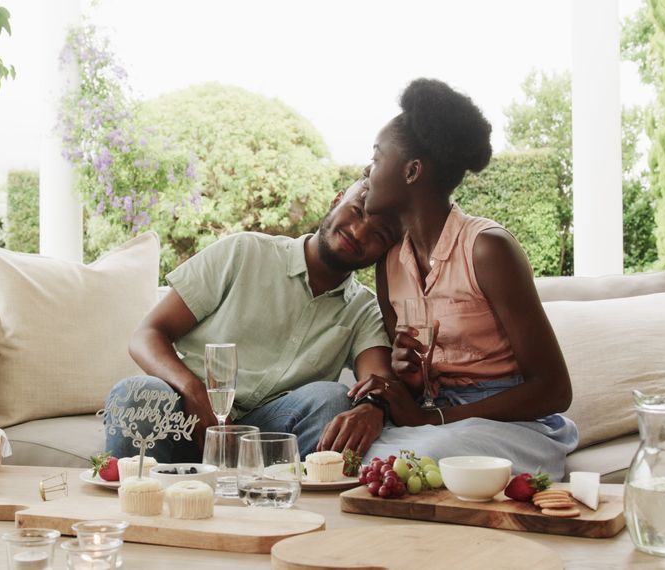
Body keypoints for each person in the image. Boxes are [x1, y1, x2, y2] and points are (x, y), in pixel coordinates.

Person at [352, 78, 579, 479]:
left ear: (411, 171)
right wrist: (405, 380)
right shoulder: (388, 265)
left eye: (376, 156)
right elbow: (412, 389)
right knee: (348, 453)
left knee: (418, 463)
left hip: (507, 425)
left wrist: (437, 419)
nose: (366, 171)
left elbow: (554, 390)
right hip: (431, 422)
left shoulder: (487, 250)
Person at [104, 179, 402, 462]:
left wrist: (373, 407)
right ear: (338, 200)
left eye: (379, 236)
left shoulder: (363, 309)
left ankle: (255, 496)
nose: (359, 233)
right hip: (184, 417)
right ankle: (142, 505)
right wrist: (193, 391)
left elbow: (377, 383)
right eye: (357, 211)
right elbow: (146, 334)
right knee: (137, 393)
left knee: (333, 398)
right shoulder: (244, 251)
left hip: (265, 445)